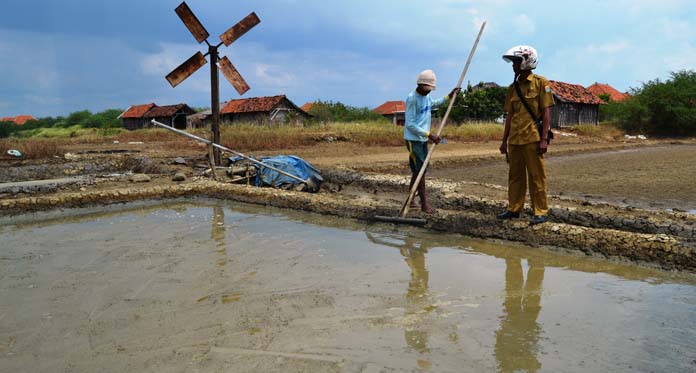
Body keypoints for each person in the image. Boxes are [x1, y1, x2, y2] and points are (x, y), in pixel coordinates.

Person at [497, 46, 555, 225]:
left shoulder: (541, 83)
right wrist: (504, 141)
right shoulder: (512, 88)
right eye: (513, 62)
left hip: (533, 138)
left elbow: (546, 114)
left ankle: (540, 211)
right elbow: (510, 116)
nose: (513, 66)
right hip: (515, 139)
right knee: (515, 176)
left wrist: (544, 139)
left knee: (536, 176)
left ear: (526, 61)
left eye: (516, 62)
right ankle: (514, 209)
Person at [404, 69, 459, 214]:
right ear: (420, 86)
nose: (429, 92)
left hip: (422, 139)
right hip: (413, 140)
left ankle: (411, 200)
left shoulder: (426, 97)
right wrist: (429, 135)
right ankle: (424, 204)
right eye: (427, 89)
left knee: (418, 170)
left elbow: (433, 104)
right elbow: (409, 124)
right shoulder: (412, 99)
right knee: (420, 171)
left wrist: (449, 96)